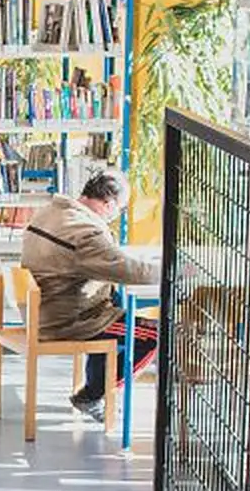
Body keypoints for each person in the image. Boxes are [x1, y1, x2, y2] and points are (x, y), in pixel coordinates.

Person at [20, 167, 160, 423]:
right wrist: (172, 270)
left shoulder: (51, 211)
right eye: (119, 210)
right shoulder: (85, 232)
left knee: (113, 306)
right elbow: (131, 271)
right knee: (154, 335)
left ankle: (94, 387)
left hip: (43, 309)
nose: (116, 216)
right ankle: (94, 394)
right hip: (66, 320)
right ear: (108, 203)